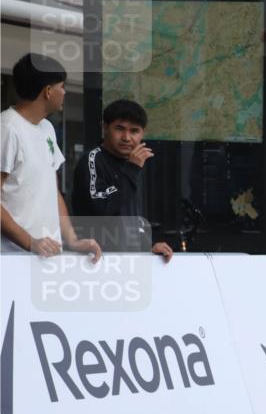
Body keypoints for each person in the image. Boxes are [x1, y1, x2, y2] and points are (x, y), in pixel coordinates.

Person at [1, 53, 100, 261]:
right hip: (11, 260)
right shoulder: (7, 128)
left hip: (47, 257)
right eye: (62, 86)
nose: (64, 92)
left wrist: (72, 239)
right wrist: (30, 242)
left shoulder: (47, 129)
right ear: (47, 91)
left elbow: (52, 191)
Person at [71, 100, 172, 262]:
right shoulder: (93, 159)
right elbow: (101, 208)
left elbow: (135, 217)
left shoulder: (137, 162)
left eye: (134, 131)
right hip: (96, 260)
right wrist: (131, 171)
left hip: (133, 260)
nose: (126, 137)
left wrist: (150, 245)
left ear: (143, 133)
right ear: (105, 127)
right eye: (119, 128)